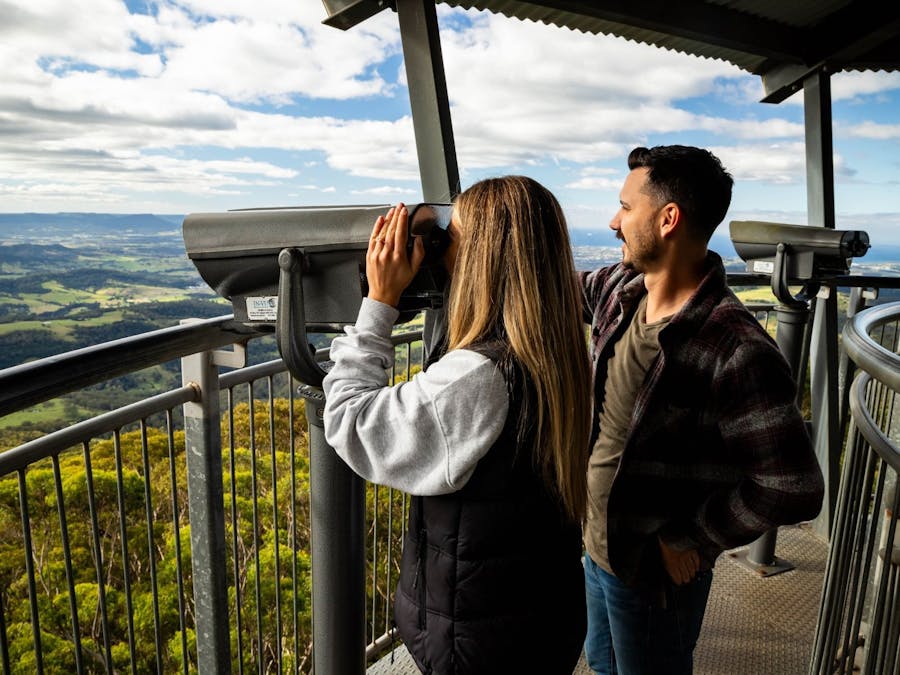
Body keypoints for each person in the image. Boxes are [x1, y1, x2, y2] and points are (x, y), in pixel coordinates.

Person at [322, 176, 592, 674]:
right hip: (542, 613)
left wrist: (378, 305)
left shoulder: (479, 377)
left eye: (453, 239)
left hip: (480, 639)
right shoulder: (563, 352)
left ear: (482, 259)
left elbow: (351, 421)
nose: (443, 252)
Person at [579, 145, 825, 674]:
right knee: (602, 666)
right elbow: (545, 286)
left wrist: (692, 536)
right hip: (598, 548)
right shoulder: (619, 290)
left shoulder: (736, 349)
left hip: (654, 572)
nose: (613, 220)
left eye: (625, 207)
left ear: (668, 219)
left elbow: (792, 485)